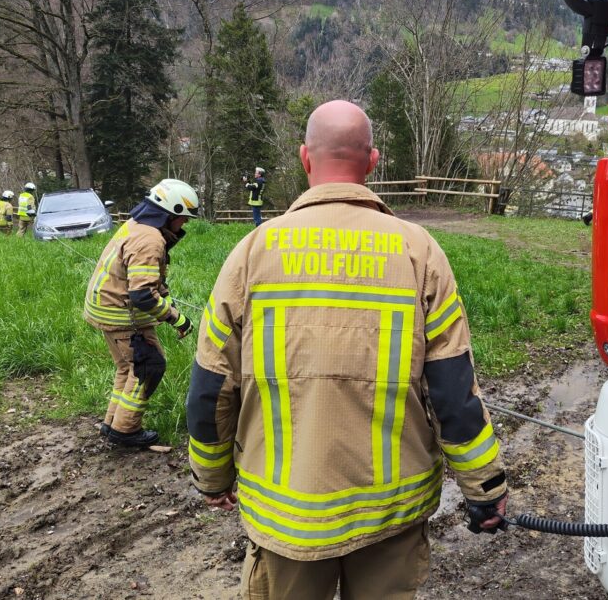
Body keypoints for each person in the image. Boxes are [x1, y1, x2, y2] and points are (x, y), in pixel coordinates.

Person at [186, 101, 508, 599]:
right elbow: (454, 391)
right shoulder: (419, 251)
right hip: (390, 512)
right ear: (372, 162)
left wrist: (212, 478)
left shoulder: (252, 252)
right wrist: (485, 488)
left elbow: (210, 387)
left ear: (304, 158)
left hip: (287, 517)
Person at [83, 178, 199, 447]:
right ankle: (126, 430)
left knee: (128, 367)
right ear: (170, 214)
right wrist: (177, 318)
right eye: (184, 217)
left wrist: (165, 296)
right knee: (148, 366)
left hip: (105, 306)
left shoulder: (137, 225)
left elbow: (145, 277)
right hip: (122, 314)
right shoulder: (150, 239)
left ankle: (112, 423)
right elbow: (143, 295)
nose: (185, 223)